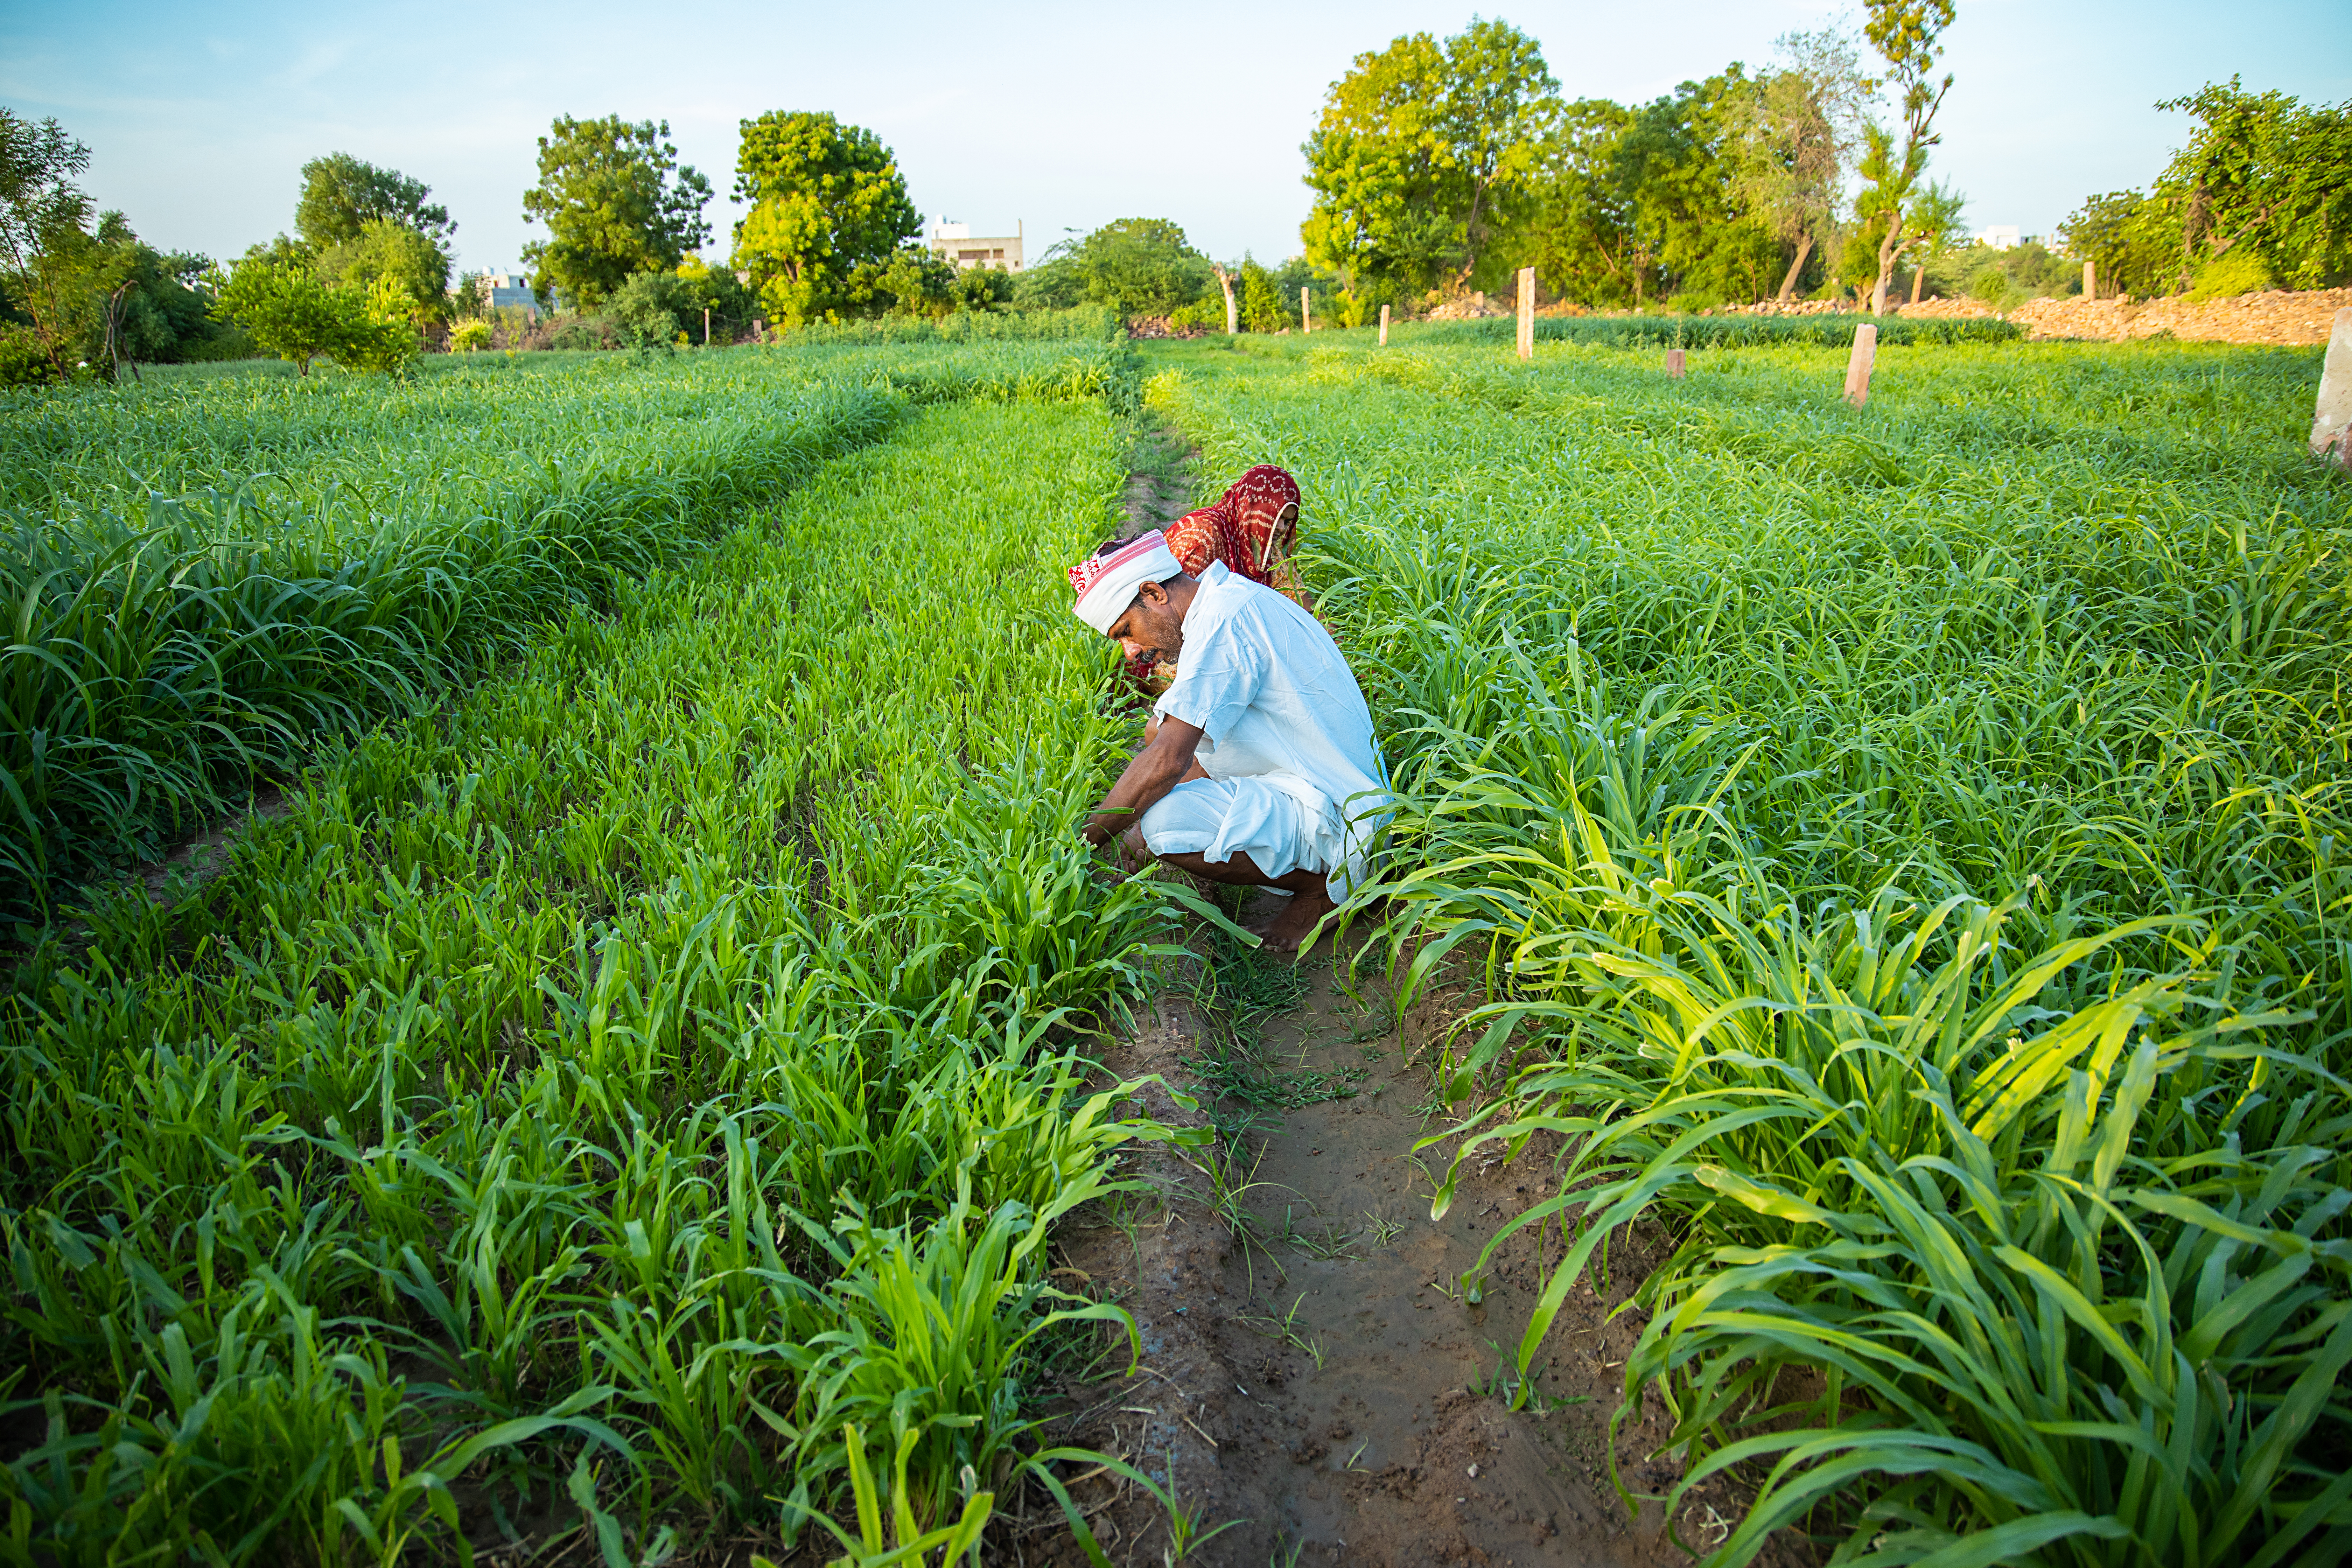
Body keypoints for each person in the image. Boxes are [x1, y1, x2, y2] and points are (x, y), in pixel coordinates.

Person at [1069, 528, 1387, 953]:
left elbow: (1168, 759)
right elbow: (1174, 744)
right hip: (1316, 782)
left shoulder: (1225, 623)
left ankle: (1321, 890)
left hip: (1345, 818)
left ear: (1154, 593)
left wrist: (1077, 847)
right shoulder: (1225, 600)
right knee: (1159, 729)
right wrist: (1126, 834)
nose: (1131, 651)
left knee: (1163, 824)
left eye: (1127, 630)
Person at [1118, 464, 1309, 692]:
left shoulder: (1260, 547)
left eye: (1287, 522)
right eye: (1274, 517)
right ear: (1252, 508)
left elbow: (1298, 598)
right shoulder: (1203, 538)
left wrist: (1334, 643)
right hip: (1169, 653)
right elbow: (1165, 618)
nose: (1279, 528)